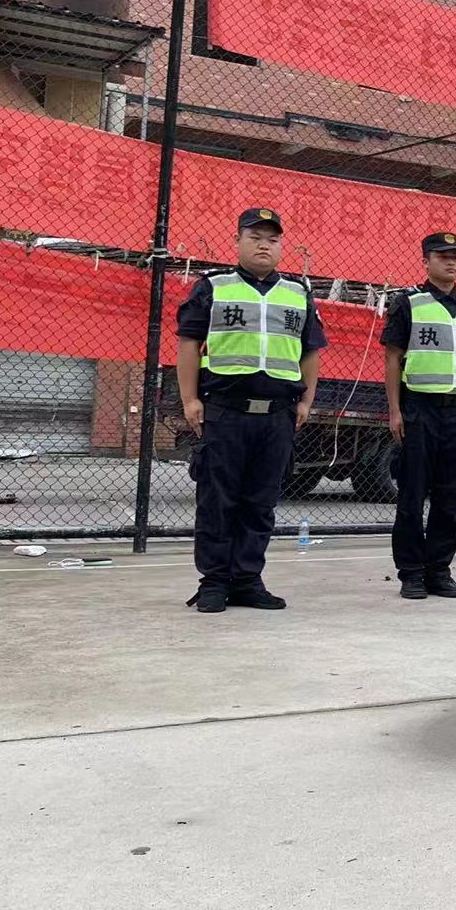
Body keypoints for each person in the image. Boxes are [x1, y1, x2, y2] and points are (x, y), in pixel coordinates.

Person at [176, 208, 326, 614]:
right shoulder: (213, 287)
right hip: (225, 412)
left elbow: (310, 351)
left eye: (272, 239)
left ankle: (247, 579)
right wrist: (190, 399)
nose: (264, 245)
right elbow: (188, 343)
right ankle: (214, 581)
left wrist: (307, 401)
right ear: (237, 242)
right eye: (255, 237)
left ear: (281, 246)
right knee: (217, 500)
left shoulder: (297, 293)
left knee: (261, 502)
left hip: (277, 416)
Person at [382, 231, 456, 600]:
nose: (450, 261)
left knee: (451, 497)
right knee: (412, 495)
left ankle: (439, 569)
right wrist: (395, 410)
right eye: (442, 255)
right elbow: (392, 358)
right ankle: (412, 572)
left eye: (455, 256)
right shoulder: (409, 304)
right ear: (426, 261)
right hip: (420, 409)